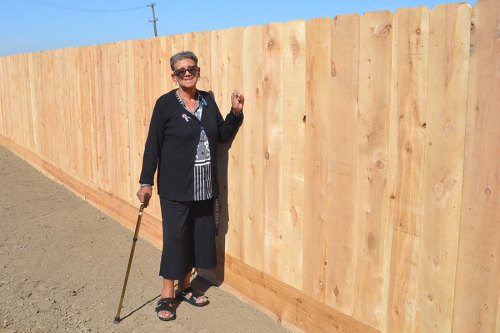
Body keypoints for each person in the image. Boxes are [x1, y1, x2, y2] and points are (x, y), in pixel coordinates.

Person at [136, 50, 244, 321]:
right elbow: (153, 145)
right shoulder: (165, 105)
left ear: (198, 71)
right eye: (181, 70)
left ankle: (186, 287)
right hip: (175, 187)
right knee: (175, 239)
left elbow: (221, 135)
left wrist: (235, 113)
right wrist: (146, 181)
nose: (187, 73)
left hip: (204, 187)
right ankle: (167, 293)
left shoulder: (207, 100)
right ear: (174, 76)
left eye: (191, 69)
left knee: (197, 238)